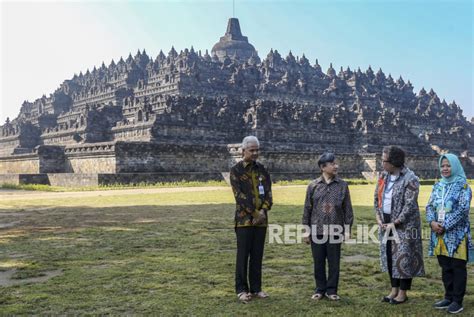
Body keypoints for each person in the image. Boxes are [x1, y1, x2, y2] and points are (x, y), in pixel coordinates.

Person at [374, 145, 425, 305]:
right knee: (389, 255)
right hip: (386, 221)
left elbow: (409, 206)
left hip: (405, 224)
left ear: (394, 162)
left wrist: (394, 223)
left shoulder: (411, 179)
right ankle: (393, 289)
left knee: (403, 256)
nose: (382, 164)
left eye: (384, 161)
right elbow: (377, 197)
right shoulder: (383, 176)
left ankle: (403, 293)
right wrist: (379, 218)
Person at [302, 152, 353, 301]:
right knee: (318, 261)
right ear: (323, 167)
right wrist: (306, 231)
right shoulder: (313, 186)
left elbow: (347, 209)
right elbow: (307, 209)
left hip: (335, 230)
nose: (336, 166)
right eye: (332, 164)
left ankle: (331, 290)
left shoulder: (342, 185)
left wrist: (347, 229)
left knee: (334, 262)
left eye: (336, 163)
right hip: (316, 230)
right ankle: (320, 289)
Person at [426, 153, 472, 314]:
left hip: (457, 235)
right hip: (439, 234)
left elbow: (462, 209)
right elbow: (429, 206)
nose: (445, 168)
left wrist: (444, 226)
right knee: (445, 266)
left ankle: (457, 301)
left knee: (457, 267)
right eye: (442, 166)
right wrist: (432, 222)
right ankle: (448, 296)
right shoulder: (438, 185)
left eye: (448, 165)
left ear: (455, 166)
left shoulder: (463, 186)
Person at [230, 136, 273, 303]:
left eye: (257, 150)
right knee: (243, 256)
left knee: (257, 255)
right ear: (243, 151)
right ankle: (241, 289)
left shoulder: (262, 170)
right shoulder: (236, 170)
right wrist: (255, 214)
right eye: (251, 150)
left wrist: (262, 211)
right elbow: (239, 196)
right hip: (243, 220)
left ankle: (256, 289)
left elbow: (269, 193)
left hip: (261, 221)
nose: (255, 153)